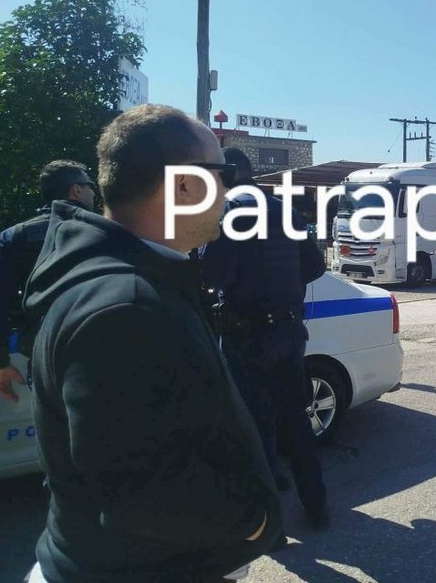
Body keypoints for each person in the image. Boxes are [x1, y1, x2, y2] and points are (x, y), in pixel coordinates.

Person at [23, 105, 281, 583]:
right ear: (184, 186)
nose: (227, 191)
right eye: (221, 175)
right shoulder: (127, 306)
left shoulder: (133, 279)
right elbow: (141, 493)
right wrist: (254, 522)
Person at [201, 147, 329, 530]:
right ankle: (317, 507)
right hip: (289, 332)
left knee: (258, 427)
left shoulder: (229, 214)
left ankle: (270, 527)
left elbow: (211, 275)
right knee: (297, 421)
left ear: (226, 176)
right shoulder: (285, 211)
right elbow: (316, 265)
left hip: (248, 336)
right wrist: (282, 287)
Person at [0, 160, 96, 403]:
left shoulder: (12, 238)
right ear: (77, 190)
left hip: (42, 356)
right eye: (90, 186)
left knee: (51, 424)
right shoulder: (109, 234)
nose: (93, 192)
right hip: (103, 351)